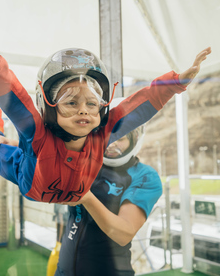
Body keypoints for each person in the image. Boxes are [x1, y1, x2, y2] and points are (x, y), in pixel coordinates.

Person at [0, 13, 211, 203]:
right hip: (25, 174)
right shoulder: (37, 132)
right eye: (71, 103)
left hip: (50, 181)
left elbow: (139, 106)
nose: (84, 111)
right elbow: (14, 95)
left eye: (92, 104)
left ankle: (5, 130)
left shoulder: (103, 133)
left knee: (8, 144)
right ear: (50, 108)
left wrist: (176, 83)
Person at [55, 118, 160, 276]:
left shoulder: (144, 175)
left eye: (120, 138)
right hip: (64, 269)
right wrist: (9, 143)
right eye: (107, 137)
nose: (111, 144)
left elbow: (124, 233)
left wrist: (86, 198)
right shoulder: (86, 162)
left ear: (134, 140)